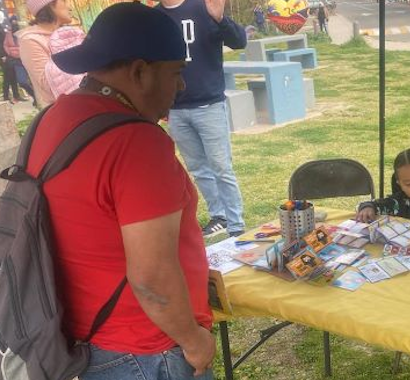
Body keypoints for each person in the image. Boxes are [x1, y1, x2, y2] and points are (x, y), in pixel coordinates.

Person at [37, 3, 214, 377]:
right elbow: (151, 277)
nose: (181, 86)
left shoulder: (52, 119)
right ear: (139, 72)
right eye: (176, 72)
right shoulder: (138, 142)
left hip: (86, 340)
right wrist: (194, 341)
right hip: (148, 350)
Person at [157, 0, 248, 238]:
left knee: (221, 167)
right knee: (198, 169)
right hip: (176, 109)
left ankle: (236, 224)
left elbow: (239, 41)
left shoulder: (203, 7)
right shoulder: (155, 16)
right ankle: (220, 216)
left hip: (209, 104)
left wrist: (220, 19)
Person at [17, 0, 73, 108]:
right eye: (64, 1)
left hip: (90, 101)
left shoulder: (69, 33)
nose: (69, 7)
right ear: (50, 5)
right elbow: (48, 84)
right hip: (63, 110)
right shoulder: (30, 40)